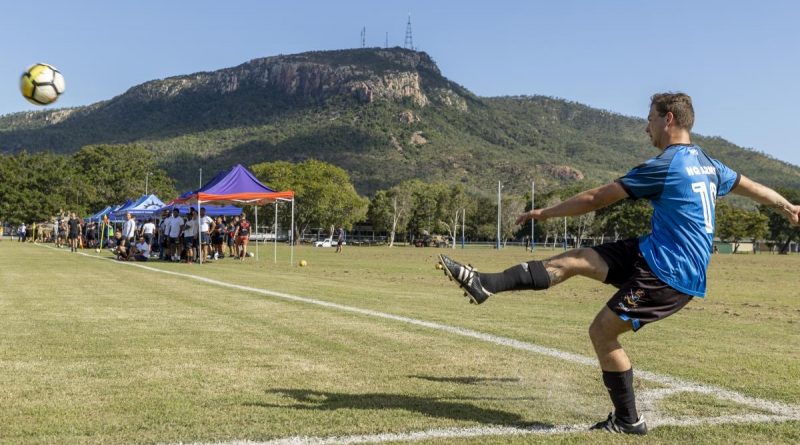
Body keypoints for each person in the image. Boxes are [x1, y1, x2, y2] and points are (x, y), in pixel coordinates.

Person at [438, 92, 800, 436]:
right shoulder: (708, 164)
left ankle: (628, 421)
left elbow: (597, 197)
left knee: (602, 332)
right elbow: (751, 186)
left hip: (669, 274)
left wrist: (545, 212)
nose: (647, 128)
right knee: (577, 258)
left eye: (650, 120)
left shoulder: (665, 166)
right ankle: (484, 283)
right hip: (653, 251)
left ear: (668, 119)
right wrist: (787, 206)